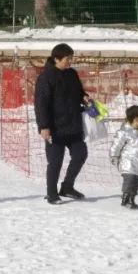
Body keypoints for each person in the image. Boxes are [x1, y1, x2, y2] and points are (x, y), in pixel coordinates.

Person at [33, 43, 90, 204]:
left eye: (71, 58)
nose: (70, 62)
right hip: (54, 128)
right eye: (67, 59)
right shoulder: (46, 77)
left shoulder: (72, 74)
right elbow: (40, 104)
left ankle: (67, 187)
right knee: (55, 161)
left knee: (80, 154)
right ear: (56, 59)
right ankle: (52, 193)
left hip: (73, 124)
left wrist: (84, 97)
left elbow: (79, 92)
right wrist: (44, 126)